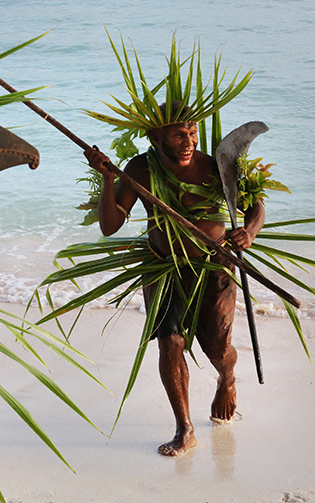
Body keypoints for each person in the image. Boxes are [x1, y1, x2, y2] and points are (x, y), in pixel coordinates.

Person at [85, 110, 265, 456]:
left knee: (217, 348)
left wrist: (249, 232)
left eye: (192, 132)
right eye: (178, 136)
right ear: (156, 139)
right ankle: (185, 429)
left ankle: (226, 378)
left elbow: (255, 207)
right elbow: (110, 226)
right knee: (170, 342)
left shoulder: (217, 166)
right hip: (162, 266)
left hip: (214, 266)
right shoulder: (140, 168)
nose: (188, 143)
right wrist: (108, 179)